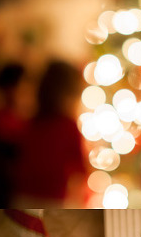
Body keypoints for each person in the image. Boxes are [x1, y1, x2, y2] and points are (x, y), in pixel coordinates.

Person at [11, 60, 89, 205]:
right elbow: (79, 169)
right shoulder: (68, 127)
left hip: (23, 194)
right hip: (51, 198)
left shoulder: (31, 122)